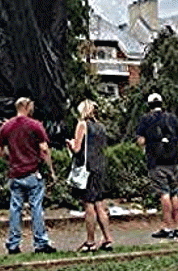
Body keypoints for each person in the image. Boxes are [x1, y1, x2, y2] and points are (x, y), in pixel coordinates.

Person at [0, 97, 57, 254]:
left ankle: (13, 244)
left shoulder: (6, 127)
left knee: (15, 208)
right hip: (32, 172)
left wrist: (9, 157)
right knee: (36, 207)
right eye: (31, 106)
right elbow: (44, 149)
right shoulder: (35, 125)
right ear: (26, 106)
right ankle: (41, 243)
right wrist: (51, 170)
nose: (33, 109)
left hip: (15, 173)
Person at [66, 99, 113, 252]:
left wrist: (71, 144)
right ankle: (108, 239)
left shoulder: (82, 125)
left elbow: (77, 149)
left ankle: (90, 241)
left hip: (87, 169)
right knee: (100, 204)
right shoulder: (101, 127)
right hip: (99, 167)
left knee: (89, 205)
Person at [136, 92, 178, 239]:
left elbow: (141, 141)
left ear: (149, 105)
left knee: (164, 194)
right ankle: (176, 226)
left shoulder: (145, 119)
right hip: (174, 161)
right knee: (175, 194)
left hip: (157, 162)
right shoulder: (173, 118)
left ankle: (167, 227)